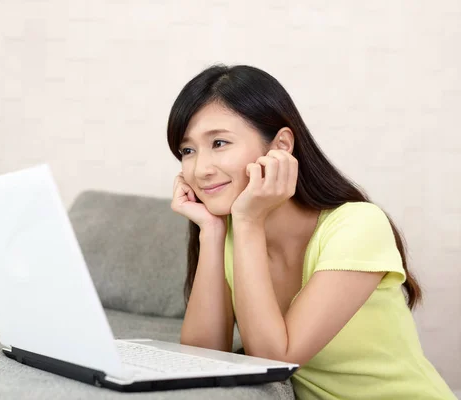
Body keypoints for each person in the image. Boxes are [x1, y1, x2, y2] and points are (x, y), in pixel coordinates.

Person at [167, 64, 455, 399]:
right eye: (188, 151)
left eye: (219, 142)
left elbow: (273, 360)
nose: (200, 169)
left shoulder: (358, 226)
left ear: (281, 146)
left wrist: (247, 222)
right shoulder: (231, 232)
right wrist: (212, 232)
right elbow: (202, 359)